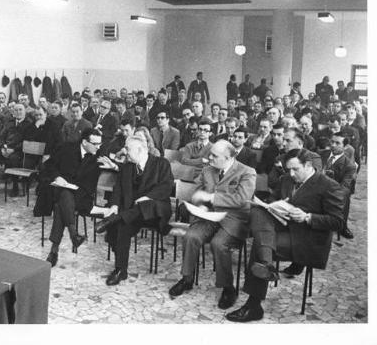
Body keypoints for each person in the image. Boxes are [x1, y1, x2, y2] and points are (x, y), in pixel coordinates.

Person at [226, 149, 345, 322]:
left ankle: (253, 305)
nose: (291, 173)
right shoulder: (286, 180)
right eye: (288, 169)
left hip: (306, 238)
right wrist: (271, 205)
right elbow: (272, 201)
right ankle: (266, 265)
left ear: (309, 165)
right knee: (258, 212)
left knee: (260, 245)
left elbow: (337, 222)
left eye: (295, 169)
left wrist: (307, 217)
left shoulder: (328, 185)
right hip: (280, 228)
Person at [169, 140, 256, 309]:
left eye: (214, 156)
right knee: (191, 236)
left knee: (219, 244)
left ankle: (228, 287)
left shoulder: (247, 172)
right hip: (208, 216)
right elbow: (197, 191)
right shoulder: (208, 170)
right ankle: (187, 279)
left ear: (229, 157)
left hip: (234, 219)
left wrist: (211, 198)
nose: (209, 157)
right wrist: (198, 202)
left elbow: (241, 199)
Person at [96, 135, 173, 285]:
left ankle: (114, 219)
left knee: (145, 205)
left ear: (140, 149)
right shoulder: (127, 167)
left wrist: (147, 197)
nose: (125, 151)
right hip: (132, 214)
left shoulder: (161, 163)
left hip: (154, 212)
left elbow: (166, 187)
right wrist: (114, 205)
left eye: (127, 148)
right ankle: (120, 270)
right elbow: (117, 189)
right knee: (122, 227)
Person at [42, 129, 103, 267]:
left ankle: (55, 250)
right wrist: (57, 177)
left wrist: (72, 189)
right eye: (95, 144)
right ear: (85, 142)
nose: (99, 147)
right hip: (60, 188)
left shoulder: (96, 158)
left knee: (61, 204)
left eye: (100, 144)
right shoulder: (66, 148)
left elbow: (90, 186)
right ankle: (73, 234)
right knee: (64, 197)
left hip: (82, 195)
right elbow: (49, 165)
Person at [321, 132, 356, 239]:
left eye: (337, 143)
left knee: (346, 197)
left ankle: (342, 226)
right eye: (332, 142)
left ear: (345, 147)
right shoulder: (321, 154)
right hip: (314, 187)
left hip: (332, 193)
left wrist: (329, 194)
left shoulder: (349, 165)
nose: (333, 145)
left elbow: (344, 187)